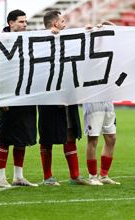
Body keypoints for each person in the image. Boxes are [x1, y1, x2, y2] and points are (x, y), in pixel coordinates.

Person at [37, 10, 90, 186]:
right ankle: (47, 177)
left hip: (68, 96)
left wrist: (89, 32)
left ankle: (75, 176)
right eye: (62, 21)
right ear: (54, 24)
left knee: (70, 133)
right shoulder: (39, 43)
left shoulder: (67, 41)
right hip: (48, 98)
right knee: (47, 137)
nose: (65, 24)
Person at [0, 9, 38, 187]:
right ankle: (1, 176)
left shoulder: (28, 41)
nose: (25, 25)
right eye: (21, 22)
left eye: (26, 22)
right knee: (5, 137)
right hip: (8, 96)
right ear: (10, 23)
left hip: (26, 95)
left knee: (23, 136)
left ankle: (18, 176)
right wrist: (1, 97)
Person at [83, 21, 120, 186]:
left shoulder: (114, 53)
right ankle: (92, 176)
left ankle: (104, 175)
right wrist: (90, 32)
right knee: (93, 139)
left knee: (111, 137)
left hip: (108, 98)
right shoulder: (91, 50)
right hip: (93, 98)